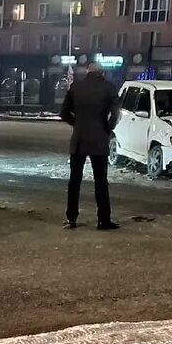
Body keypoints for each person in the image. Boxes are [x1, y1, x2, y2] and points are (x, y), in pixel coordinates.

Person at [59, 61, 121, 230]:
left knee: (74, 181)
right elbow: (116, 113)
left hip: (79, 139)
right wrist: (107, 128)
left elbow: (63, 112)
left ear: (88, 71)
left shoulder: (76, 88)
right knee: (100, 181)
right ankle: (103, 220)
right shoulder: (109, 87)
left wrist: (77, 124)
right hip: (99, 138)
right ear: (102, 72)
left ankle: (71, 218)